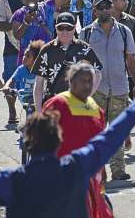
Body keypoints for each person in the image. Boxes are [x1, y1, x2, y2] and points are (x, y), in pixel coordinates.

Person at [0, 80, 135, 215]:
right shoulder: (76, 167)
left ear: (26, 145)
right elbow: (112, 136)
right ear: (59, 141)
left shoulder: (11, 181)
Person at [80, 0, 135, 182]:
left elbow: (131, 58)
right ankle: (97, 171)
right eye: (101, 7)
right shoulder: (86, 33)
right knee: (95, 132)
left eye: (108, 6)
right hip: (95, 91)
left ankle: (118, 170)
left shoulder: (124, 31)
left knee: (117, 132)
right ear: (94, 11)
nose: (105, 9)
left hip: (119, 88)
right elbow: (81, 63)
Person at [41, 62, 113, 214]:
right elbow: (41, 137)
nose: (87, 85)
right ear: (71, 80)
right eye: (83, 80)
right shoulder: (57, 103)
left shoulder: (96, 109)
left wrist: (103, 170)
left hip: (90, 175)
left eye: (90, 81)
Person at [33, 13, 103, 111]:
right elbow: (39, 83)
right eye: (61, 28)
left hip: (77, 107)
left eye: (69, 28)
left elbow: (98, 74)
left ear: (74, 28)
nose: (64, 32)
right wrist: (38, 111)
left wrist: (86, 96)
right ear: (56, 28)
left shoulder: (84, 49)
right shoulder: (46, 50)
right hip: (52, 106)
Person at [1, 39, 42, 125]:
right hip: (25, 97)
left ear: (36, 60)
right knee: (29, 113)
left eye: (28, 56)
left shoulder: (40, 70)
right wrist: (6, 86)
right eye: (24, 55)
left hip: (38, 97)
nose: (24, 57)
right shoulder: (21, 69)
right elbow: (11, 79)